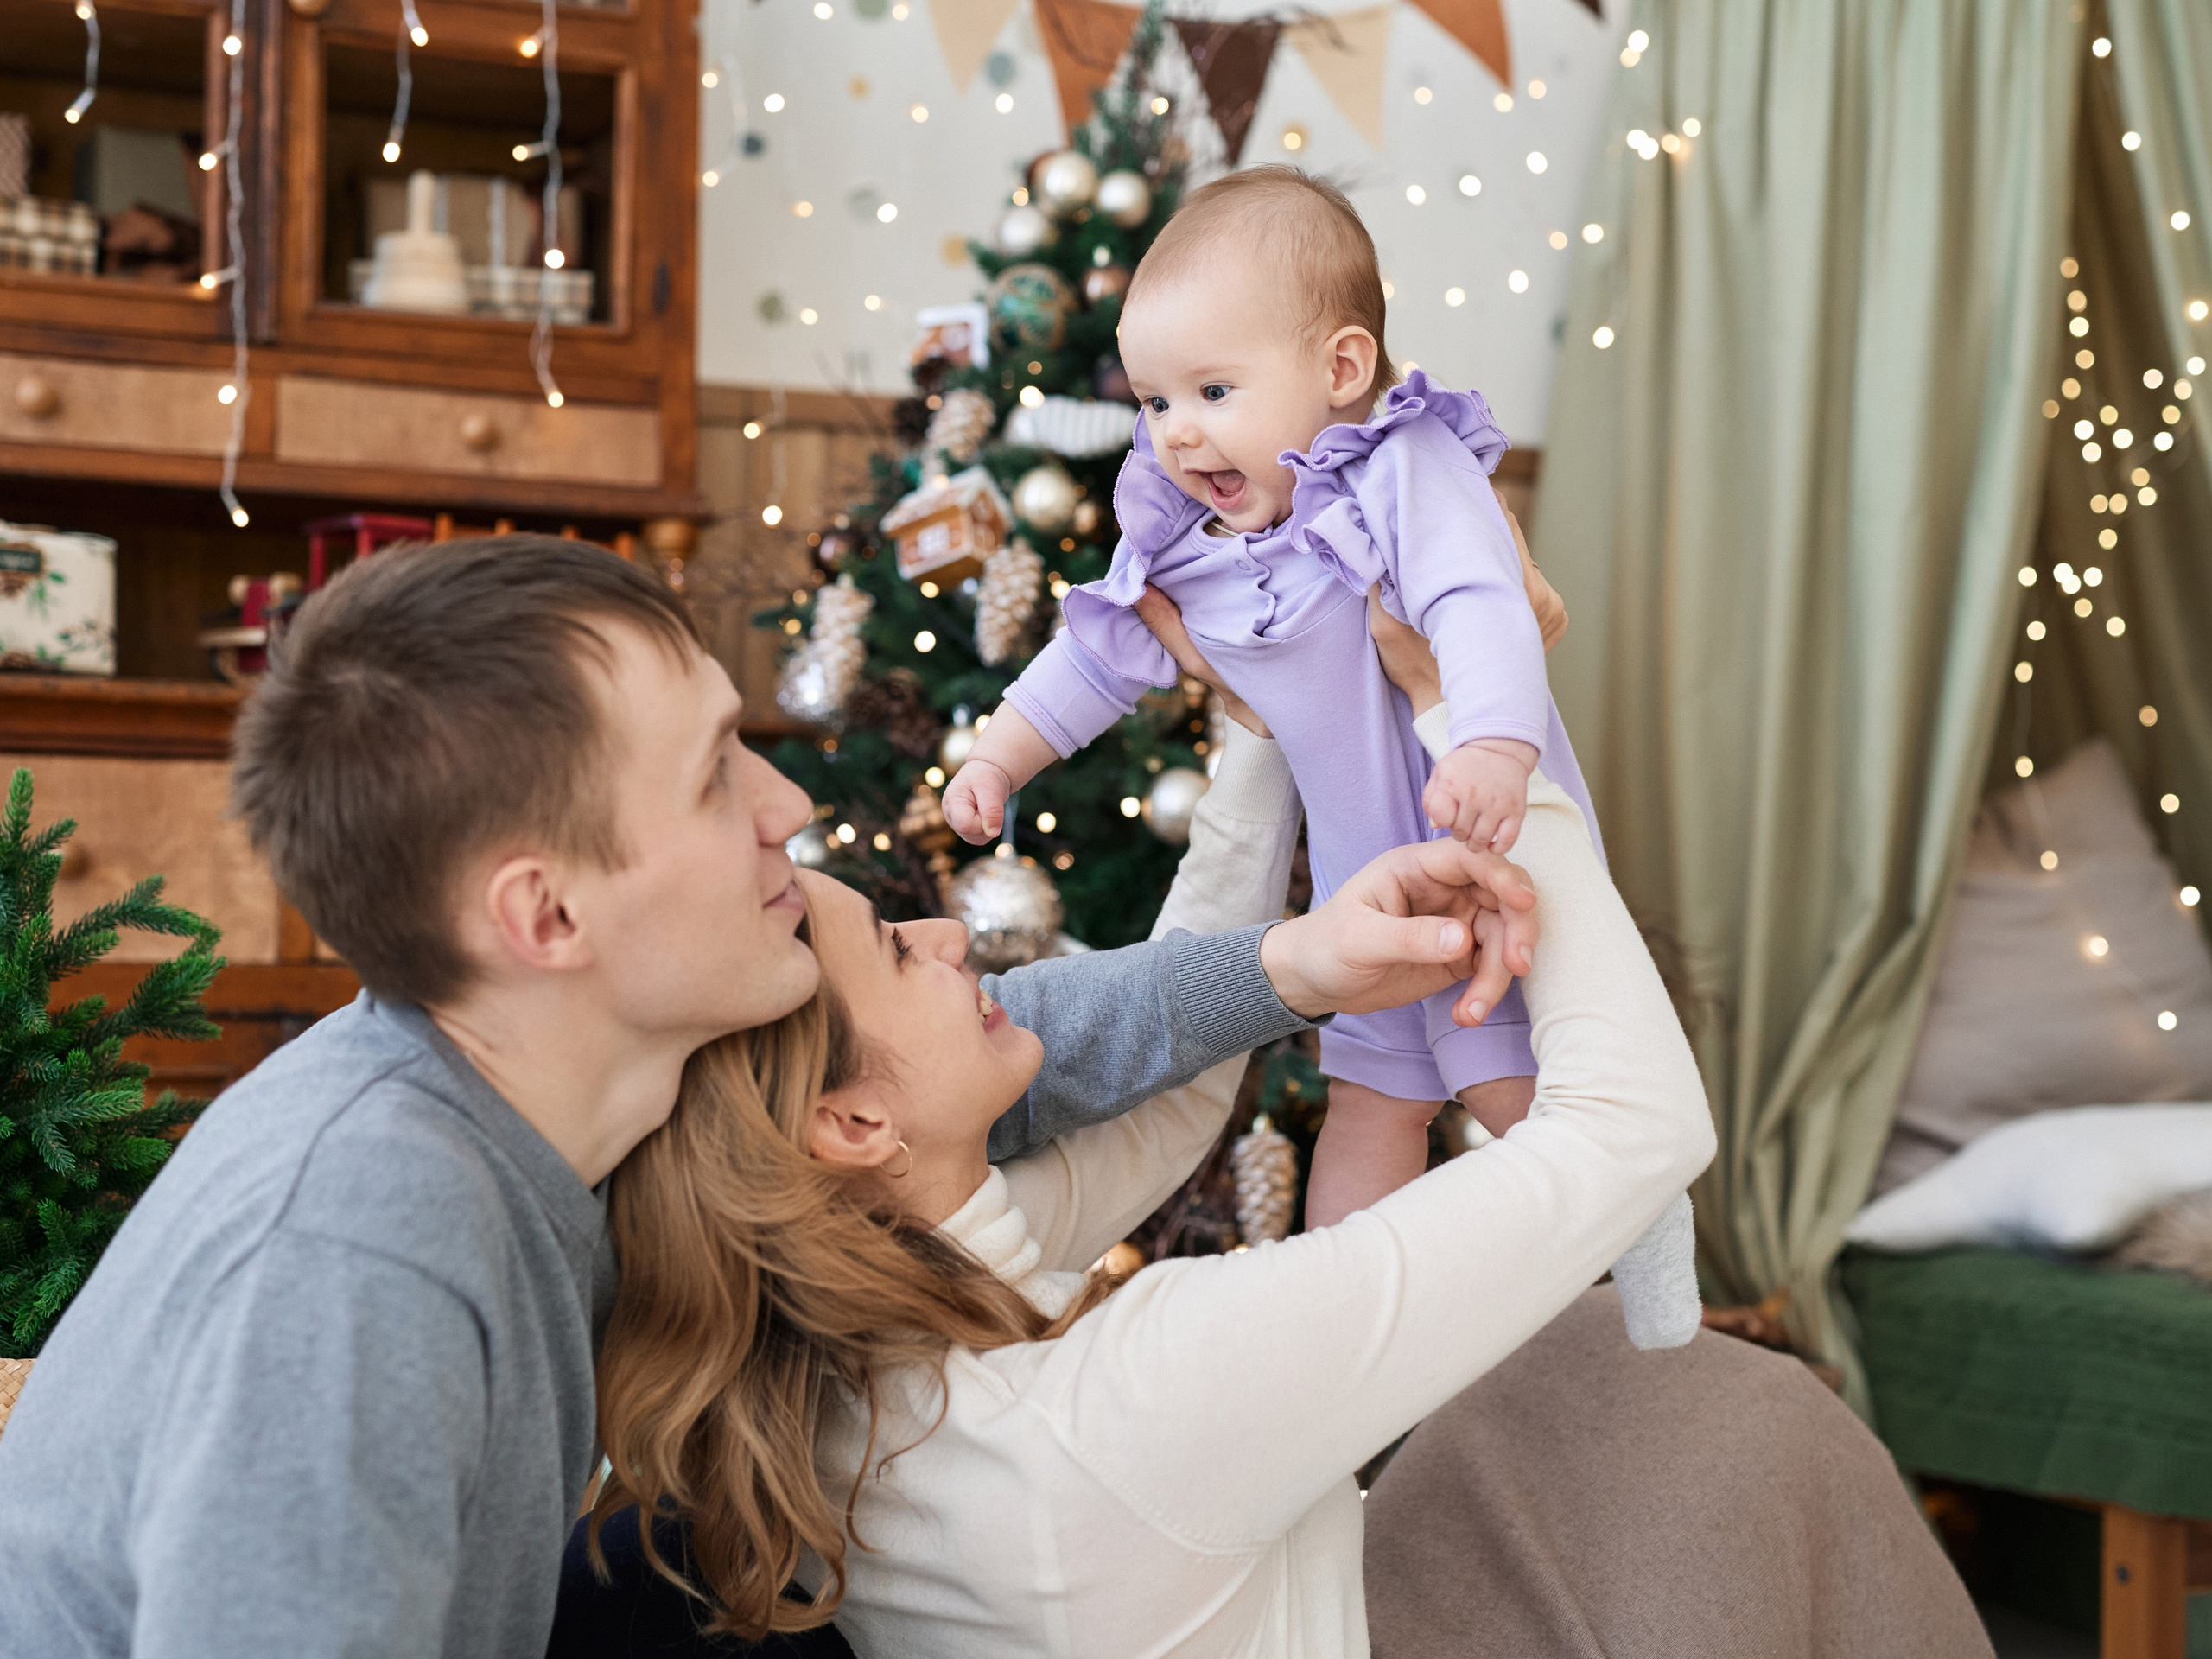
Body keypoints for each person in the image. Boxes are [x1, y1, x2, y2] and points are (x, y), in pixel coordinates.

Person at [0, 536, 1516, 1659]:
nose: (789, 805)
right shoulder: (362, 1256)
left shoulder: (565, 1081)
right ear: (546, 916)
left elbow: (990, 1047)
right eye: (717, 774)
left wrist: (1298, 961)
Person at [585, 652, 1717, 1654]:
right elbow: (1639, 1129)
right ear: (854, 1127)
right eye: (893, 950)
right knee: (1699, 1410)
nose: (947, 934)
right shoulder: (1127, 1403)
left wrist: (1262, 739)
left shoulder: (849, 1360)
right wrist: (1479, 727)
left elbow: (1168, 1113)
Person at [937, 168, 1698, 1351]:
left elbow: (1485, 602)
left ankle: (1655, 1275)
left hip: (1484, 844)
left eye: (1213, 390)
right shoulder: (1195, 536)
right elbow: (1097, 655)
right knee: (1371, 1107)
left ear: (1342, 370)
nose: (1178, 430)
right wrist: (999, 757)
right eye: (1156, 401)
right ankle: (1340, 1341)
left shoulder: (1403, 467)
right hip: (1364, 900)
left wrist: (1495, 746)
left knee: (1515, 1094)